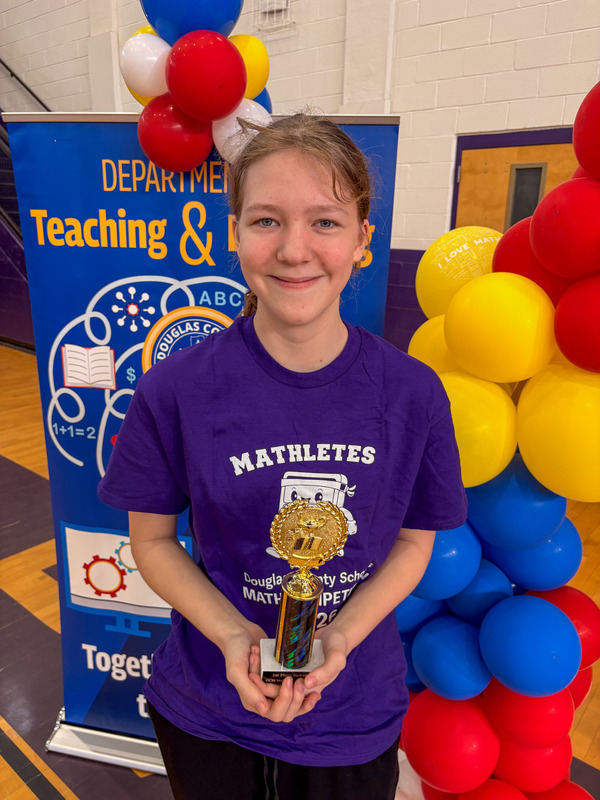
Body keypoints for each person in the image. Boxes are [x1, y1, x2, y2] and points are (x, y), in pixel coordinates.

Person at [98, 113, 467, 800]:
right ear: (234, 233)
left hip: (350, 718)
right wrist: (234, 634)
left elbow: (417, 540)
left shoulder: (413, 393)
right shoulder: (177, 387)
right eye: (266, 220)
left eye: (325, 222)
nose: (294, 249)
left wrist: (344, 635)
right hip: (206, 710)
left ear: (363, 238)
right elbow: (150, 539)